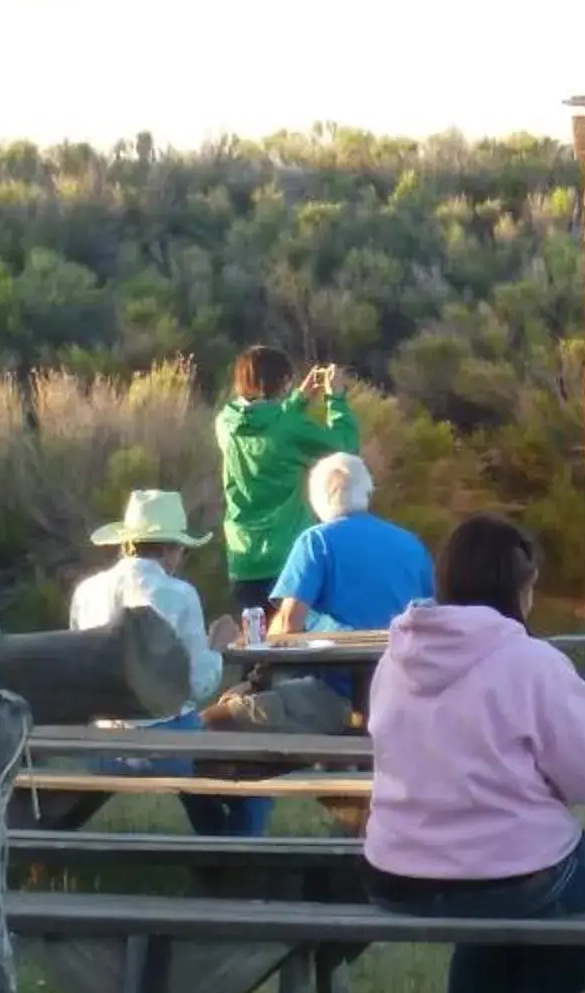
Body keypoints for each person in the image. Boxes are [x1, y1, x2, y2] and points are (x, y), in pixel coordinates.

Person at [361, 516, 585, 993]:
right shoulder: (530, 662)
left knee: (487, 917)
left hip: (397, 872)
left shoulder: (394, 660)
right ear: (518, 585)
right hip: (503, 871)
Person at [66, 488, 260, 837]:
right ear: (170, 550)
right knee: (252, 789)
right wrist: (217, 647)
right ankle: (232, 862)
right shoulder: (179, 594)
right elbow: (199, 685)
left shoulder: (86, 591)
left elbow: (78, 666)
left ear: (127, 543)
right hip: (167, 741)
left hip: (103, 743)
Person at [216, 346, 360, 612]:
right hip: (289, 559)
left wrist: (299, 399)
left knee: (258, 645)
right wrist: (336, 400)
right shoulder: (290, 427)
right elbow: (346, 448)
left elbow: (267, 424)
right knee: (295, 644)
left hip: (243, 558)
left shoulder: (225, 422)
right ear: (282, 382)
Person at [267, 453, 433, 641]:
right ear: (367, 492)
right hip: (400, 661)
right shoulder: (412, 544)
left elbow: (289, 625)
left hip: (339, 664)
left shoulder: (315, 541)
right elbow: (434, 612)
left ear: (317, 497)